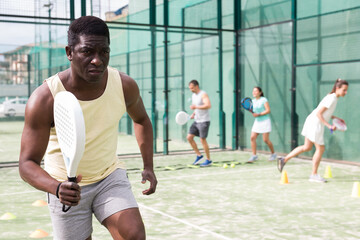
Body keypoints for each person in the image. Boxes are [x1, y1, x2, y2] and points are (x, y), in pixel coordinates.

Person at [19, 16, 157, 240]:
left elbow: (142, 120)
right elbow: (26, 164)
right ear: (69, 52)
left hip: (109, 176)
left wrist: (148, 166)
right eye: (87, 52)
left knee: (133, 234)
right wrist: (56, 188)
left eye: (104, 52)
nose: (97, 60)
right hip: (65, 188)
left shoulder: (124, 85)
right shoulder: (45, 98)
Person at [277, 78, 349, 183]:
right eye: (344, 90)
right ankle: (313, 175)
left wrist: (335, 118)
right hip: (316, 123)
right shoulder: (332, 98)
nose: (345, 92)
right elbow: (319, 113)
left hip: (312, 121)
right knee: (320, 149)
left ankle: (283, 160)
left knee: (307, 147)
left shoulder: (333, 97)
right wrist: (329, 126)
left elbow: (324, 112)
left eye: (346, 90)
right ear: (337, 88)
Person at [247, 87, 276, 163]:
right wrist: (253, 113)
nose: (254, 92)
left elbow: (268, 110)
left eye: (256, 91)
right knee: (252, 137)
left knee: (266, 140)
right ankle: (254, 155)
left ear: (260, 92)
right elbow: (254, 111)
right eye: (253, 91)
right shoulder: (252, 101)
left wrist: (259, 114)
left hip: (265, 121)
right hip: (257, 122)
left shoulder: (264, 100)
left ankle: (273, 154)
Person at [187, 80, 212, 167]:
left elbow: (208, 105)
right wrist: (193, 114)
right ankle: (199, 155)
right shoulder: (194, 95)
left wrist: (196, 107)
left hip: (204, 121)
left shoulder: (203, 94)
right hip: (196, 121)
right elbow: (196, 108)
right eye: (190, 88)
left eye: (192, 88)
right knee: (189, 137)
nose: (191, 90)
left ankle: (208, 160)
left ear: (197, 86)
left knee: (202, 140)